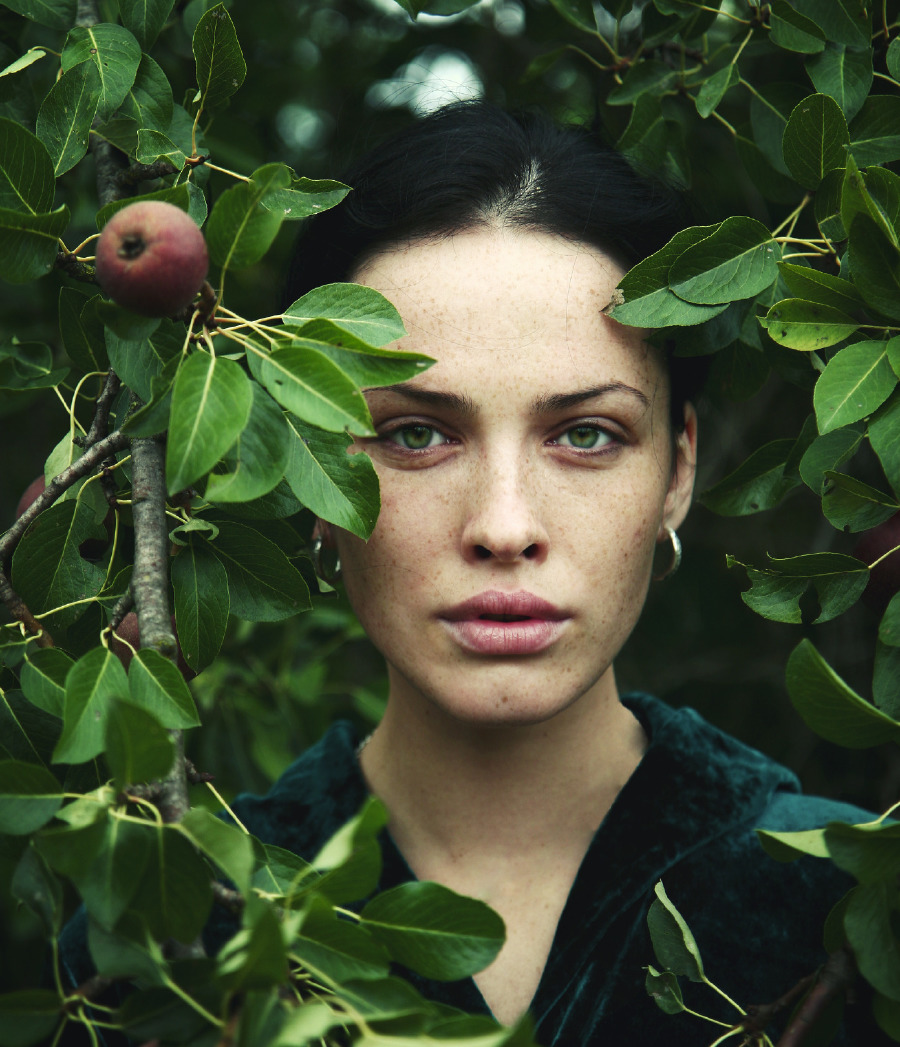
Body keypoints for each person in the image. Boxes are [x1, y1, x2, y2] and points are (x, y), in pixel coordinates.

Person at [60, 102, 877, 1044]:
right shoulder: (165, 936)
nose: (503, 526)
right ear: (316, 470)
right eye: (416, 434)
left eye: (585, 434)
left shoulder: (847, 900)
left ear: (677, 471)